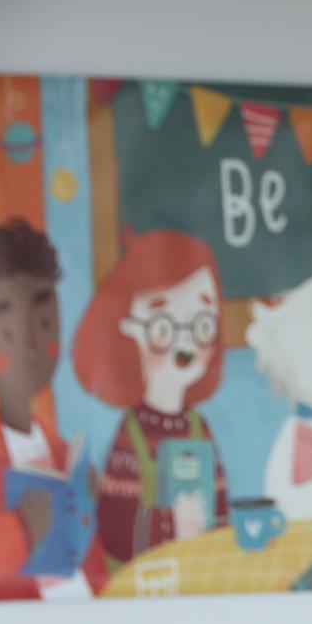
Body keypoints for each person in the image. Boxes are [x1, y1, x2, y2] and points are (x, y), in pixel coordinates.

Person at [73, 229, 229, 563]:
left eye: (202, 325)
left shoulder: (201, 429)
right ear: (132, 333)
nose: (184, 344)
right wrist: (171, 522)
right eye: (163, 328)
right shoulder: (131, 437)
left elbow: (221, 514)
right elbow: (115, 532)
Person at [0, 218, 108, 600]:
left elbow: (89, 567)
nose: (30, 345)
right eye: (6, 325)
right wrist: (22, 532)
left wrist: (85, 510)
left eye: (45, 321)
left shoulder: (61, 452)